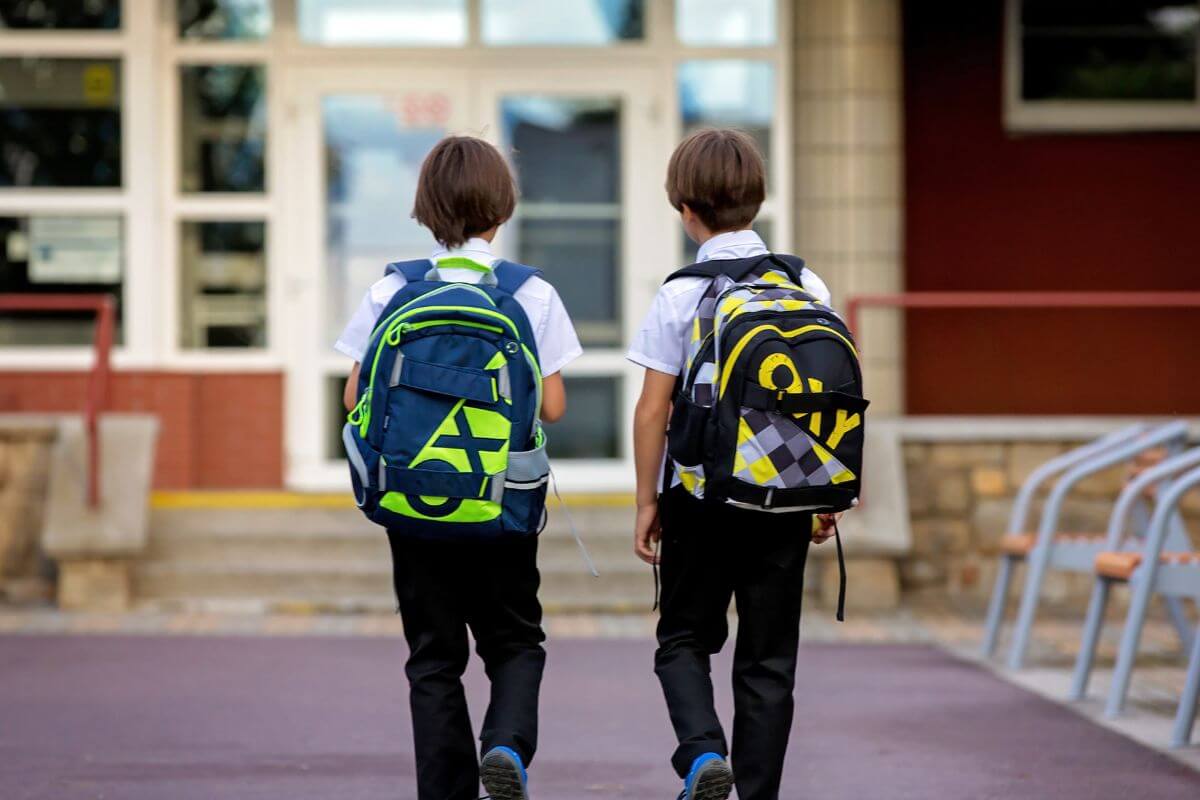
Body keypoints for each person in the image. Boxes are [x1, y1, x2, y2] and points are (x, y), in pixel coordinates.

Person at [335, 135, 582, 800]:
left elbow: (357, 395)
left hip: (413, 504)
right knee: (516, 642)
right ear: (502, 211)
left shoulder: (394, 288)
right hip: (501, 504)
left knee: (433, 660)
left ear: (424, 210)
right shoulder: (530, 294)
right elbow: (552, 406)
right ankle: (504, 745)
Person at [628, 128, 842, 800]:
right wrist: (826, 492)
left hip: (701, 496)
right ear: (758, 200)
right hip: (785, 493)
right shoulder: (807, 282)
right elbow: (824, 396)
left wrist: (646, 501)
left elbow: (651, 411)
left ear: (685, 210)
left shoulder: (681, 293)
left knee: (683, 640)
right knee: (769, 661)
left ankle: (701, 755)